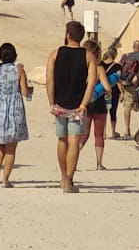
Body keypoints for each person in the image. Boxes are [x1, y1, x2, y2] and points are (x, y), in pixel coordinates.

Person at [47, 21, 97, 192]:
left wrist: (51, 102)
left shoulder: (56, 54)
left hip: (60, 103)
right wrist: (84, 103)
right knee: (74, 140)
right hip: (77, 106)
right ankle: (69, 178)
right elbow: (91, 83)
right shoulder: (88, 56)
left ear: (68, 35)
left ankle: (63, 177)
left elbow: (50, 80)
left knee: (62, 139)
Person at [0, 41, 31, 187]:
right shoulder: (19, 71)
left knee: (1, 143)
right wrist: (30, 90)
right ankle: (6, 180)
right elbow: (25, 92)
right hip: (15, 110)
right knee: (11, 147)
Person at [81, 38, 116, 169]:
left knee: (83, 134)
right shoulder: (99, 68)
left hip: (84, 103)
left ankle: (74, 158)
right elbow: (107, 87)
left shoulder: (81, 68)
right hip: (99, 105)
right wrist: (109, 94)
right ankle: (99, 164)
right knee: (99, 135)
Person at [117, 38, 139, 139]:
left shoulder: (126, 56)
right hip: (138, 85)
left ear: (133, 47)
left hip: (127, 84)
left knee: (127, 107)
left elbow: (119, 69)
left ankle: (127, 130)